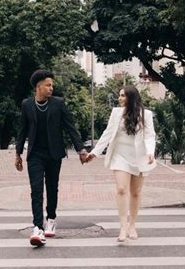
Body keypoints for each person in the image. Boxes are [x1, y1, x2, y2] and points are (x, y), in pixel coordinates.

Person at [15, 69, 88, 247]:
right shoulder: (27, 105)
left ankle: (51, 219)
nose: (51, 88)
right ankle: (38, 228)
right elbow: (22, 130)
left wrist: (81, 149)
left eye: (51, 85)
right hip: (35, 155)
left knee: (52, 188)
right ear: (38, 87)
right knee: (36, 189)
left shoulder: (58, 104)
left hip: (54, 154)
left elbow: (70, 127)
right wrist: (18, 154)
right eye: (48, 85)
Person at [86, 86, 156, 242]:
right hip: (120, 156)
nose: (120, 98)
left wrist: (151, 151)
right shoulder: (116, 113)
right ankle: (123, 227)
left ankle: (132, 225)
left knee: (136, 192)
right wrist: (95, 152)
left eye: (123, 96)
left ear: (131, 97)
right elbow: (108, 133)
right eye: (119, 95)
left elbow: (150, 135)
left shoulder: (146, 114)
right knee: (121, 189)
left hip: (140, 157)